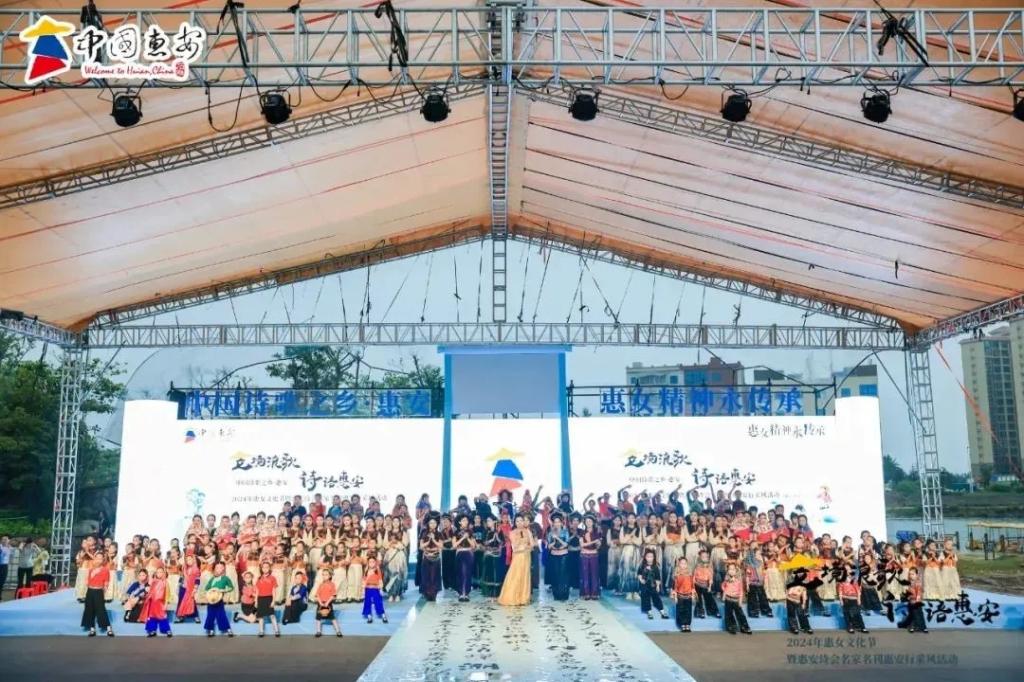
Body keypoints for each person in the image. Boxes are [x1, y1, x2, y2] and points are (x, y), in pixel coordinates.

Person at [497, 514, 533, 607]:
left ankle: (523, 598)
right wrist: (524, 546)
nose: (519, 523)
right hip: (517, 557)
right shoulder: (512, 533)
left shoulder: (528, 531)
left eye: (521, 520)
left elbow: (532, 545)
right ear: (515, 523)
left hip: (526, 557)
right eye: (517, 521)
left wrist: (525, 547)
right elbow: (515, 548)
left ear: (524, 522)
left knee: (525, 576)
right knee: (515, 576)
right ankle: (511, 597)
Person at [81, 556, 114, 637]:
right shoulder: (91, 570)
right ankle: (92, 628)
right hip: (90, 591)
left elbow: (106, 582)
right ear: (94, 560)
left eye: (100, 558)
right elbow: (88, 581)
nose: (98, 560)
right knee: (89, 609)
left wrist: (103, 592)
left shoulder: (105, 570)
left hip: (99, 591)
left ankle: (108, 628)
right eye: (97, 558)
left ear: (103, 560)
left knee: (101, 609)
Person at [202, 561, 235, 637]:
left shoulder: (225, 578)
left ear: (223, 568)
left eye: (221, 567)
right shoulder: (212, 579)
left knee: (221, 614)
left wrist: (223, 590)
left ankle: (228, 629)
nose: (219, 569)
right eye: (217, 568)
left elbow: (231, 587)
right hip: (211, 600)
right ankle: (211, 630)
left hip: (219, 599)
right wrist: (210, 592)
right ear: (214, 569)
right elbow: (207, 588)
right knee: (210, 615)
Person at [637, 549, 669, 620]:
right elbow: (639, 574)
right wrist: (641, 580)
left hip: (653, 585)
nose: (650, 558)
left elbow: (658, 578)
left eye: (651, 557)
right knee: (646, 598)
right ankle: (649, 612)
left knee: (657, 598)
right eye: (648, 556)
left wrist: (657, 586)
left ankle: (662, 612)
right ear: (645, 557)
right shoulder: (642, 566)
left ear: (654, 557)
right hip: (645, 585)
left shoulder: (655, 567)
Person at [141, 567, 173, 637]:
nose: (159, 574)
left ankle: (167, 630)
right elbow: (150, 591)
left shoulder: (165, 582)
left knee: (162, 616)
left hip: (161, 603)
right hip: (153, 603)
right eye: (157, 572)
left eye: (161, 572)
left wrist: (166, 604)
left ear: (164, 573)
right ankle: (152, 630)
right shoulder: (153, 582)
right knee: (152, 617)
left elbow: (167, 594)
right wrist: (147, 591)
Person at [721, 564, 751, 635]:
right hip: (728, 599)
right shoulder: (727, 579)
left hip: (736, 600)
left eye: (733, 569)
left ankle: (744, 627)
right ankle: (731, 627)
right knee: (728, 614)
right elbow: (723, 586)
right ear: (728, 571)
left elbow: (741, 591)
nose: (731, 571)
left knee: (740, 614)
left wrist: (740, 600)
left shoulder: (738, 580)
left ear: (736, 570)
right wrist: (725, 592)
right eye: (730, 569)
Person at [419, 516, 443, 602]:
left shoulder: (439, 534)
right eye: (431, 523)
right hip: (426, 556)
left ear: (436, 524)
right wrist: (429, 541)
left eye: (434, 523)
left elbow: (441, 546)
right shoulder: (424, 533)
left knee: (434, 576)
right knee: (426, 575)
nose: (432, 524)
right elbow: (421, 546)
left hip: (436, 557)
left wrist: (434, 539)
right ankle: (427, 593)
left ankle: (434, 594)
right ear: (428, 524)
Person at [743, 548, 772, 618]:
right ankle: (753, 612)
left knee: (763, 597)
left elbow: (763, 574)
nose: (759, 555)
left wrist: (765, 582)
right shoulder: (749, 564)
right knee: (752, 598)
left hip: (760, 583)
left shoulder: (761, 563)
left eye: (760, 554)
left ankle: (766, 611)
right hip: (752, 583)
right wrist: (747, 584)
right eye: (758, 554)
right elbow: (747, 575)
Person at [313, 568, 343, 637]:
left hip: (328, 603)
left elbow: (333, 595)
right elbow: (317, 595)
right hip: (320, 603)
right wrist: (320, 602)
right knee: (318, 618)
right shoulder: (321, 584)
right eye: (323, 575)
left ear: (330, 576)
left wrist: (327, 603)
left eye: (326, 575)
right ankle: (318, 631)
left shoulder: (332, 584)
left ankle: (338, 631)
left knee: (332, 617)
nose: (324, 576)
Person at [547, 514, 570, 601]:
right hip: (554, 555)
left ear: (561, 523)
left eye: (558, 522)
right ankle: (556, 595)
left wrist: (558, 538)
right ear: (553, 523)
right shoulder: (550, 533)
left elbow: (566, 544)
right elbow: (548, 546)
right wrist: (553, 543)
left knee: (563, 575)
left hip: (564, 555)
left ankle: (564, 594)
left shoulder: (565, 532)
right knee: (555, 575)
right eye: (555, 522)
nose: (557, 524)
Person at [254, 562, 280, 637]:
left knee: (272, 615)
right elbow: (257, 590)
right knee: (260, 616)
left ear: (269, 568)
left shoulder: (272, 578)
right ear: (261, 569)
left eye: (267, 567)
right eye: (263, 567)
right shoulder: (259, 578)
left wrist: (273, 600)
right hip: (260, 598)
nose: (265, 569)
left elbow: (274, 590)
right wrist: (256, 601)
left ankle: (276, 631)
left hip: (269, 598)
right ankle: (261, 631)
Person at [480, 517, 504, 600]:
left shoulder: (499, 531)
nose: (487, 522)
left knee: (496, 574)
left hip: (497, 555)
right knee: (489, 573)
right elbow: (484, 543)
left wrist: (497, 537)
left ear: (494, 522)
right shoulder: (486, 531)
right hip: (488, 554)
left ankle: (496, 593)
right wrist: (492, 539)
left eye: (489, 521)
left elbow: (502, 543)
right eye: (487, 521)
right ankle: (489, 593)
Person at [454, 515, 476, 602]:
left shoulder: (471, 532)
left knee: (467, 573)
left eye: (466, 520)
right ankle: (460, 593)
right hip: (459, 553)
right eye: (463, 520)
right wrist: (463, 537)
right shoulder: (456, 532)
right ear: (459, 522)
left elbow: (473, 546)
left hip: (468, 553)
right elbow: (454, 545)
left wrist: (468, 538)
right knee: (460, 573)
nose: (465, 522)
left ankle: (466, 593)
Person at [579, 515, 601, 600]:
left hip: (594, 554)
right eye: (587, 521)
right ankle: (586, 593)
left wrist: (598, 543)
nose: (588, 523)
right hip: (584, 555)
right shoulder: (582, 532)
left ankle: (595, 593)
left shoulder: (597, 532)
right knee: (585, 574)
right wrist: (593, 542)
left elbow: (598, 546)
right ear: (584, 523)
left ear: (593, 522)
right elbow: (582, 545)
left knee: (594, 574)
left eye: (590, 521)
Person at [692, 549, 719, 619]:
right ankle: (700, 612)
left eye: (706, 557)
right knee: (698, 599)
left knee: (709, 597)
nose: (704, 558)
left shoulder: (709, 566)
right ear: (700, 557)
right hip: (697, 584)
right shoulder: (697, 565)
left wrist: (709, 586)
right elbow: (694, 575)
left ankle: (714, 611)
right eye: (703, 557)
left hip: (706, 585)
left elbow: (711, 576)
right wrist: (693, 585)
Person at [785, 569, 813, 635]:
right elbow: (786, 590)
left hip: (798, 600)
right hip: (789, 599)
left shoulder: (803, 583)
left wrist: (803, 603)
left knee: (801, 614)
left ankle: (806, 627)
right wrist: (785, 601)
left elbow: (804, 595)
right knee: (791, 614)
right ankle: (794, 627)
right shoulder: (791, 579)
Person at [901, 567, 928, 634]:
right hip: (911, 602)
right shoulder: (910, 583)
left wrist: (917, 600)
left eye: (913, 574)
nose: (911, 576)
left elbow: (919, 592)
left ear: (916, 574)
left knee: (919, 614)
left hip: (917, 602)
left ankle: (923, 627)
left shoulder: (918, 583)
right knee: (912, 614)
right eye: (910, 574)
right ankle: (912, 627)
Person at [671, 557, 695, 632]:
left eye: (685, 563)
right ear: (679, 565)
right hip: (680, 595)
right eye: (682, 563)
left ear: (687, 565)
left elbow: (692, 585)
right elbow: (675, 586)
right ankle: (682, 624)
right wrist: (675, 596)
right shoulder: (677, 575)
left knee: (688, 610)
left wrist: (693, 593)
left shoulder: (690, 575)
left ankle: (687, 624)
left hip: (688, 595)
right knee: (680, 609)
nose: (683, 565)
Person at [175, 553, 201, 623]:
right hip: (183, 587)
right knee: (180, 602)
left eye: (190, 559)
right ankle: (180, 617)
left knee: (192, 602)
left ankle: (196, 617)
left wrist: (195, 589)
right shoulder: (184, 568)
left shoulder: (196, 569)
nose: (188, 561)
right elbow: (181, 577)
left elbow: (197, 580)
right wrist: (178, 586)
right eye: (187, 560)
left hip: (190, 589)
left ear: (193, 559)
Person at [361, 556, 387, 623]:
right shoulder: (366, 570)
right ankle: (369, 616)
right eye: (370, 562)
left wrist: (381, 589)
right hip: (368, 588)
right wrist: (363, 590)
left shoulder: (377, 570)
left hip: (376, 588)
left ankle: (383, 615)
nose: (371, 563)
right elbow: (364, 580)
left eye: (373, 562)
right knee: (367, 602)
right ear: (368, 563)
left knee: (378, 602)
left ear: (375, 562)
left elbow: (380, 580)